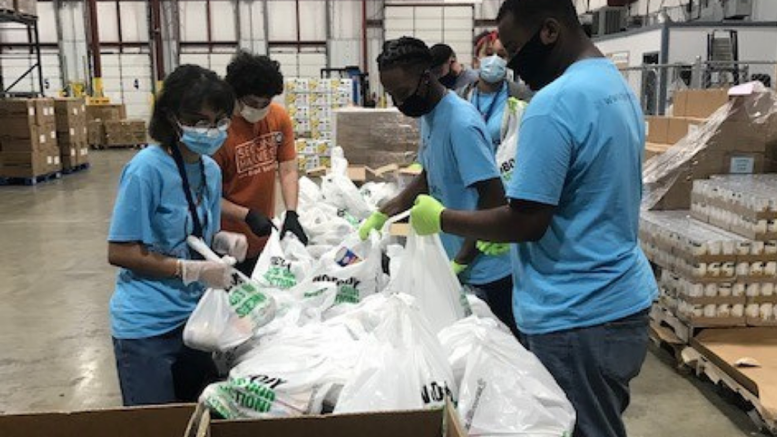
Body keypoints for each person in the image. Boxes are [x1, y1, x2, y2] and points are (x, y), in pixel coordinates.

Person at [408, 1, 658, 436]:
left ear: (549, 32)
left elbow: (526, 222)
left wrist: (444, 218)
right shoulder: (615, 86)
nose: (509, 65)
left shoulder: (552, 104)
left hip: (576, 311)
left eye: (512, 50)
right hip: (622, 301)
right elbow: (585, 192)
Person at [108, 65, 247, 406]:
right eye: (200, 121)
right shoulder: (147, 169)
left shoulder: (209, 170)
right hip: (148, 327)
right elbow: (120, 251)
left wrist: (223, 241)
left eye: (219, 121)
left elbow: (199, 235)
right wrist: (190, 270)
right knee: (155, 425)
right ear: (172, 118)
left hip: (195, 320)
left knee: (193, 417)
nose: (211, 130)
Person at [359, 36, 517, 336]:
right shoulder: (429, 115)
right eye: (391, 95)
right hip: (454, 260)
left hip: (485, 273)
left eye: (403, 93)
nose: (399, 103)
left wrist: (460, 263)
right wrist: (386, 211)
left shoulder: (461, 122)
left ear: (427, 77)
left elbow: (493, 198)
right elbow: (429, 175)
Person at [214, 51, 307, 277]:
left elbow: (287, 169)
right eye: (252, 103)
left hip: (264, 238)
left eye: (265, 102)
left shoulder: (278, 117)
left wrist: (292, 213)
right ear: (235, 95)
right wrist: (245, 214)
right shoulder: (217, 131)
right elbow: (206, 197)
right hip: (226, 243)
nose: (259, 109)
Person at [458, 30, 530, 151]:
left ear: (508, 62)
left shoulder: (522, 97)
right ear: (476, 62)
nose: (494, 60)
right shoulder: (460, 98)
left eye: (501, 55)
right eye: (488, 53)